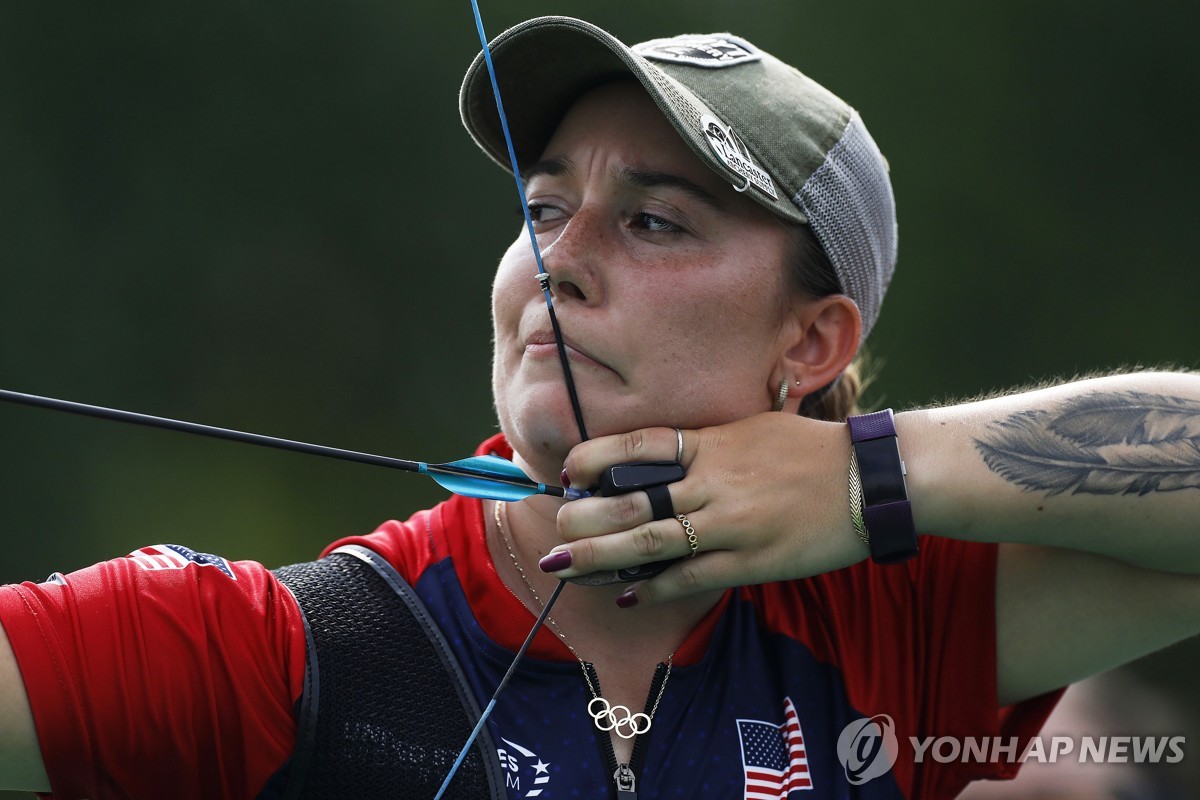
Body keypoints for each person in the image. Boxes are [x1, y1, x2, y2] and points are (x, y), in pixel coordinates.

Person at [1, 14, 1197, 799]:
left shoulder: (890, 630)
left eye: (653, 219)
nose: (555, 259)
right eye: (540, 207)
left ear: (811, 340)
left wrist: (863, 477)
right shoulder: (286, 654)